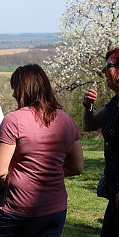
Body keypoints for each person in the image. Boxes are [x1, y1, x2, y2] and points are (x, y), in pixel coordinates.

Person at [0, 64, 84, 237]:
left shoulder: (14, 120)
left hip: (19, 211)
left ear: (23, 90)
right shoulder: (67, 121)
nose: (13, 94)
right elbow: (77, 167)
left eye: (15, 89)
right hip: (56, 211)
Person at [82, 48, 119, 236]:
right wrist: (88, 106)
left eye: (108, 66)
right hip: (113, 189)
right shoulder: (115, 103)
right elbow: (90, 125)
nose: (104, 72)